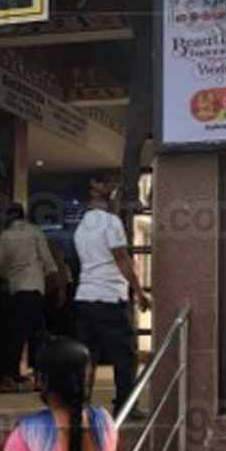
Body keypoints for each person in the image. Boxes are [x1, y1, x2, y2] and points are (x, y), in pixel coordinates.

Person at [73, 177, 150, 417]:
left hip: (84, 298)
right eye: (109, 186)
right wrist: (139, 292)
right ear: (99, 192)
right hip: (109, 299)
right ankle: (125, 407)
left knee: (87, 356)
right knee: (124, 357)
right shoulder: (110, 222)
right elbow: (121, 258)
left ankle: (79, 406)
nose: (115, 191)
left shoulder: (82, 226)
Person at [0, 203, 60, 393]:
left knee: (15, 336)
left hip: (16, 291)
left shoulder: (6, 235)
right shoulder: (35, 232)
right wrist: (57, 285)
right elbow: (48, 261)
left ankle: (10, 377)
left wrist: (7, 273)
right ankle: (39, 378)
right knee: (37, 336)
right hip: (35, 290)